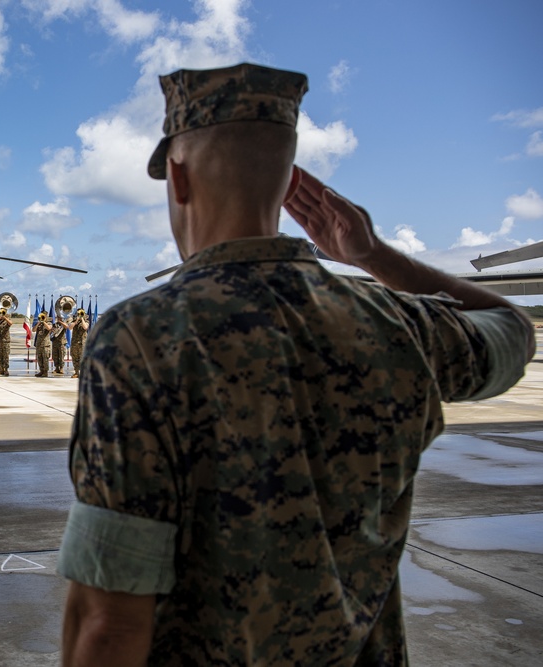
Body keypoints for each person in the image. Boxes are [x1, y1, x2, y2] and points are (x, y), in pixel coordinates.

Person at [57, 63, 535, 666]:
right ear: (287, 183)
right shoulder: (398, 323)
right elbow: (514, 332)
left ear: (176, 177)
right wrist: (378, 257)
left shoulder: (139, 340)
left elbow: (108, 621)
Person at [69, 308, 89, 379]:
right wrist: (76, 320)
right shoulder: (74, 321)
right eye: (78, 313)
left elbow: (85, 327)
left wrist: (82, 319)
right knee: (75, 358)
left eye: (80, 313)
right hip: (74, 343)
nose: (79, 315)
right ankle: (77, 372)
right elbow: (70, 327)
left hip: (82, 343)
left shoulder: (86, 321)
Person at [32, 311, 52, 377]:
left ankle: (45, 372)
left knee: (45, 359)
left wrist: (44, 322)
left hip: (46, 345)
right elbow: (33, 330)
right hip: (39, 344)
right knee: (39, 359)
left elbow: (49, 328)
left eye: (44, 316)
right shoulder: (39, 324)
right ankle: (41, 371)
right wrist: (38, 323)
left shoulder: (49, 323)